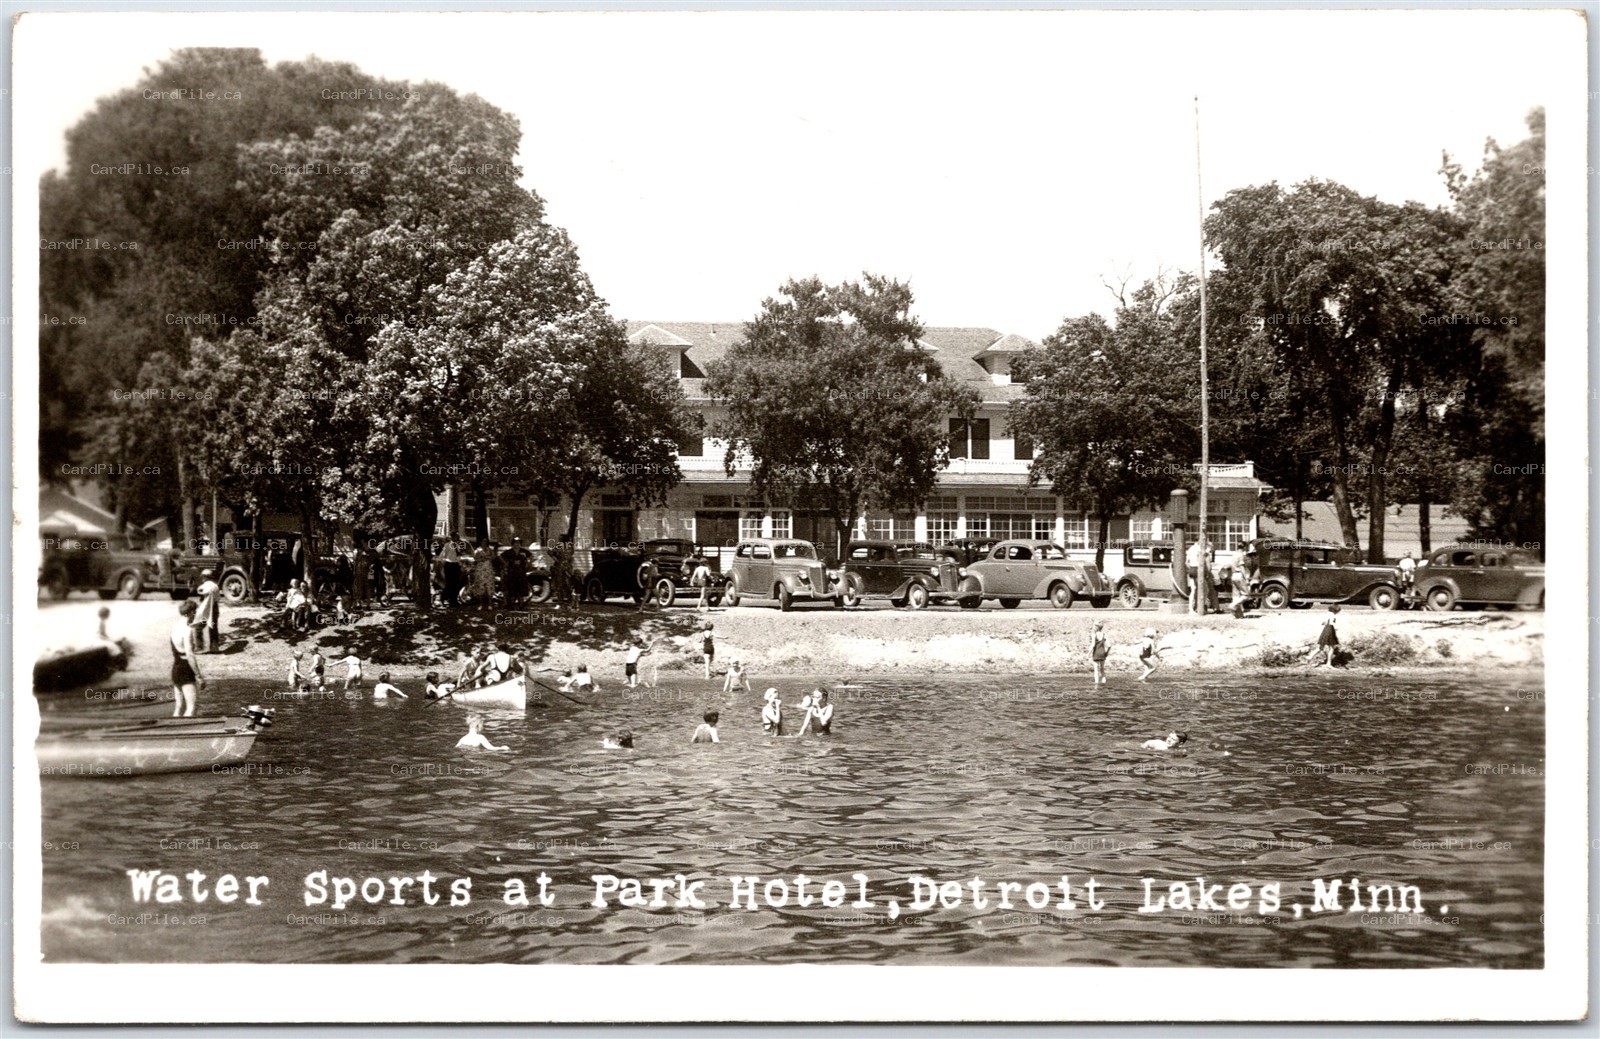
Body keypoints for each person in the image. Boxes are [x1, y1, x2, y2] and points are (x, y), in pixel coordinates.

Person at [170, 600, 204, 717]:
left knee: (179, 707)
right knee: (191, 707)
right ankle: (187, 731)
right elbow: (189, 654)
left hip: (176, 668)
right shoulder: (187, 629)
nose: (195, 614)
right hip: (185, 669)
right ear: (190, 612)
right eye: (195, 612)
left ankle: (171, 730)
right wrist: (199, 677)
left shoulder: (175, 626)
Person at [194, 568, 220, 653]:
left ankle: (199, 647)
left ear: (205, 577)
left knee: (198, 627)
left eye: (203, 577)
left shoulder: (204, 586)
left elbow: (201, 593)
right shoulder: (215, 586)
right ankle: (214, 648)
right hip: (215, 608)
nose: (202, 578)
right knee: (213, 628)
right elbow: (218, 598)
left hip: (206, 609)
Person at [503, 537, 531, 607]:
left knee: (521, 589)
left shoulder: (523, 551)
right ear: (513, 544)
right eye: (515, 543)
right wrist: (506, 563)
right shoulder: (509, 552)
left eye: (518, 543)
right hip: (512, 572)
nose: (517, 544)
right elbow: (501, 556)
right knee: (512, 588)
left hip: (521, 572)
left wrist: (528, 563)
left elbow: (531, 556)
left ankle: (521, 604)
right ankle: (511, 605)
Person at [469, 540, 497, 608]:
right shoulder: (478, 550)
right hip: (480, 570)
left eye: (485, 542)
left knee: (489, 586)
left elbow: (494, 557)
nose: (484, 543)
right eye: (483, 542)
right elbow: (475, 558)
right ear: (480, 542)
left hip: (488, 570)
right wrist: (481, 559)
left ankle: (490, 604)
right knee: (480, 586)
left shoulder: (490, 549)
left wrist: (487, 557)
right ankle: (480, 604)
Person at [440, 539, 464, 607]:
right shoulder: (447, 545)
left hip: (456, 565)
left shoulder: (459, 546)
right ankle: (443, 598)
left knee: (456, 584)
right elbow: (442, 555)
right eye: (456, 537)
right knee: (449, 583)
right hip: (449, 565)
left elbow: (459, 556)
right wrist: (444, 564)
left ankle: (453, 601)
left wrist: (460, 563)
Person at [1088, 620, 1109, 685]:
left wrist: (1088, 653)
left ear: (1096, 627)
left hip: (1096, 653)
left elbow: (1093, 645)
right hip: (1102, 653)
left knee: (1096, 670)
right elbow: (1109, 645)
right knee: (1102, 669)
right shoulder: (1104, 634)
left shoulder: (1094, 634)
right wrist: (1106, 653)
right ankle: (1104, 683)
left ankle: (1096, 683)